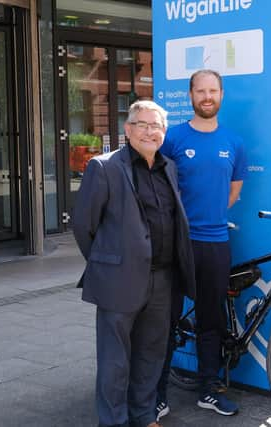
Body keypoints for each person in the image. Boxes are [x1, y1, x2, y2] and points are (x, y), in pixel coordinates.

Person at [73, 100, 196, 427]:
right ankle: (113, 421)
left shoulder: (168, 166)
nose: (149, 131)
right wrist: (108, 263)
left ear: (164, 133)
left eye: (156, 126)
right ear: (128, 130)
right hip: (120, 280)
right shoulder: (104, 167)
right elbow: (84, 226)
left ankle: (143, 416)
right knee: (115, 360)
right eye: (142, 124)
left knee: (151, 354)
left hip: (162, 279)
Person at [155, 69, 246, 418]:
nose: (207, 97)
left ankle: (209, 389)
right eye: (200, 91)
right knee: (165, 319)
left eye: (213, 90)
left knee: (212, 320)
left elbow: (233, 192)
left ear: (221, 94)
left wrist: (209, 213)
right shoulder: (173, 138)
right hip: (177, 244)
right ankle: (157, 393)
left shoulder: (233, 143)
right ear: (191, 95)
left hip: (216, 243)